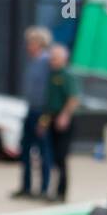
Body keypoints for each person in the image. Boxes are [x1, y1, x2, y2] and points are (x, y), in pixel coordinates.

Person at [12, 26, 53, 199]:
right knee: (25, 149)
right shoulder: (33, 62)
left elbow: (49, 92)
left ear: (40, 44)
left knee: (44, 151)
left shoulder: (46, 63)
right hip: (30, 111)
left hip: (41, 113)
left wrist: (45, 119)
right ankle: (26, 187)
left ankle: (44, 189)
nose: (28, 46)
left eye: (31, 42)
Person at [40, 44, 80, 202]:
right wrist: (43, 122)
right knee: (53, 158)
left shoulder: (67, 75)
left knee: (61, 157)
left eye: (55, 58)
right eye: (51, 57)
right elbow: (49, 103)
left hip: (63, 121)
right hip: (51, 118)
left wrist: (64, 116)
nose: (52, 60)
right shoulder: (51, 75)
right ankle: (52, 190)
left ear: (63, 58)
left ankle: (61, 193)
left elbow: (73, 98)